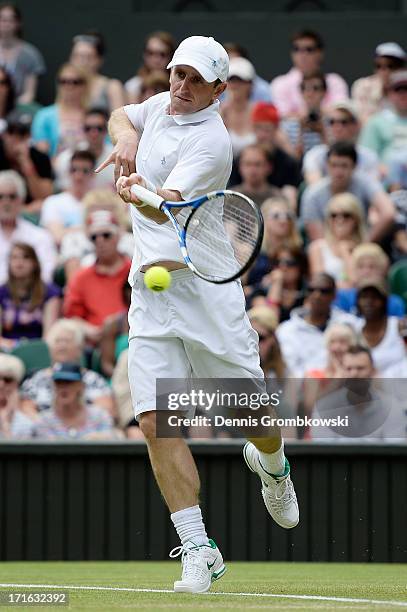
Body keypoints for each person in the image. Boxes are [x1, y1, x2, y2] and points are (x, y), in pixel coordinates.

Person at [96, 35, 299, 594]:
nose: (180, 87)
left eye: (194, 80)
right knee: (155, 420)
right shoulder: (160, 104)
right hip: (153, 294)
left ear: (219, 90)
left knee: (253, 419)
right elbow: (120, 113)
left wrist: (137, 192)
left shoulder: (214, 145)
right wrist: (126, 140)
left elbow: (168, 211)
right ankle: (198, 549)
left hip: (208, 295)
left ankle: (274, 466)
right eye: (175, 74)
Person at [300, 142, 395, 241]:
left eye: (344, 166)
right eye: (334, 165)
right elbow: (318, 238)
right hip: (327, 247)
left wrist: (366, 243)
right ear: (327, 166)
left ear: (354, 166)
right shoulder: (313, 194)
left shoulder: (365, 183)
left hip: (360, 243)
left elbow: (389, 212)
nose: (338, 172)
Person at [20, 318, 114, 416]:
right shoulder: (37, 379)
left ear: (79, 349)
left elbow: (106, 408)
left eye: (67, 341)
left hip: (87, 428)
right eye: (58, 341)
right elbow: (25, 408)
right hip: (43, 428)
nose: (62, 346)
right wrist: (46, 427)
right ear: (50, 348)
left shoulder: (92, 379)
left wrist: (77, 425)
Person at [63, 209, 131, 344]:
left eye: (106, 235)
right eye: (94, 237)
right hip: (96, 345)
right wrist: (87, 329)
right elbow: (72, 317)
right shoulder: (81, 277)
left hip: (131, 337)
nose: (100, 241)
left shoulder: (135, 270)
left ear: (118, 237)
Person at [311, 345, 405, 441]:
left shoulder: (392, 407)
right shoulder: (325, 407)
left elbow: (395, 451)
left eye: (360, 368)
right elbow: (322, 451)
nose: (354, 374)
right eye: (348, 369)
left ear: (372, 371)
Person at [276, 273, 360, 377]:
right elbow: (290, 370)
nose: (317, 295)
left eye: (324, 291)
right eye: (311, 290)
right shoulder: (286, 330)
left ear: (334, 295)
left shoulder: (350, 323)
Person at [59, 188, 134, 281]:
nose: (100, 216)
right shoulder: (73, 239)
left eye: (106, 210)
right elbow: (73, 280)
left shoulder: (131, 241)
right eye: (95, 211)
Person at [270, 29, 348, 119]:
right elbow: (282, 116)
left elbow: (341, 114)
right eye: (297, 49)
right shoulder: (280, 83)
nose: (303, 54)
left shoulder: (335, 81)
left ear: (320, 53)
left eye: (309, 49)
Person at [0, 242, 61, 349]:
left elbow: (49, 336)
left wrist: (29, 349)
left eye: (25, 257)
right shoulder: (2, 292)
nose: (19, 262)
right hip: (6, 351)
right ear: (9, 263)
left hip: (39, 349)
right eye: (14, 258)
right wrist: (15, 346)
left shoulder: (50, 292)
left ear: (35, 263)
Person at [35, 362, 118, 440]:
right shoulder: (44, 420)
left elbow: (111, 442)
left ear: (81, 386)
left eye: (68, 383)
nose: (63, 388)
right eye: (59, 383)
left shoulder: (99, 416)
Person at [0, 170, 57, 284]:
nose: (6, 202)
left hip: (29, 297)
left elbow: (46, 274)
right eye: (0, 196)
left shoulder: (40, 236)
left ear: (21, 200)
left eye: (12, 196)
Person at [302, 101, 380, 184]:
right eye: (332, 122)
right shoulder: (314, 155)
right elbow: (315, 187)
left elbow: (371, 189)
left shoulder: (369, 157)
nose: (337, 127)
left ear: (356, 125)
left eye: (344, 122)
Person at [31, 62, 89, 158]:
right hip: (54, 170)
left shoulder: (93, 115)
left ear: (85, 85)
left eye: (75, 82)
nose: (69, 86)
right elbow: (42, 152)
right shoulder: (44, 115)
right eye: (63, 81)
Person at [245, 196, 302, 291]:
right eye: (276, 216)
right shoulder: (249, 250)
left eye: (288, 216)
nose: (283, 221)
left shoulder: (296, 250)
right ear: (263, 219)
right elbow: (241, 286)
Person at [333, 242, 405, 317]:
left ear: (382, 269)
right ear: (353, 269)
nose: (366, 271)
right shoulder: (342, 297)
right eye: (360, 266)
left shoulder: (394, 302)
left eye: (372, 266)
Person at [308, 193, 365, 286]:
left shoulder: (365, 248)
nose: (339, 220)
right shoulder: (317, 248)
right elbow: (321, 284)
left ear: (356, 219)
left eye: (346, 215)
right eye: (334, 215)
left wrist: (345, 253)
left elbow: (357, 281)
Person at [40, 149, 95, 246]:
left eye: (85, 171)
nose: (78, 176)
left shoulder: (100, 202)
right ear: (68, 172)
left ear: (93, 174)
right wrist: (90, 229)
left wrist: (68, 231)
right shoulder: (52, 202)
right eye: (74, 170)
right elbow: (57, 237)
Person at [0, 109, 53, 208]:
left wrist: (26, 163)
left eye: (22, 134)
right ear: (4, 135)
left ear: (29, 136)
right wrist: (23, 209)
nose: (16, 139)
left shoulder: (40, 157)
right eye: (12, 132)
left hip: (28, 218)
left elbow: (45, 198)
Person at [54, 107, 114, 191]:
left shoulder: (116, 158)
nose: (93, 133)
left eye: (99, 128)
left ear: (107, 130)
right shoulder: (66, 158)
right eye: (88, 128)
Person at [356, 280, 406, 376]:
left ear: (384, 301)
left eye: (374, 297)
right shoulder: (354, 330)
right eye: (364, 297)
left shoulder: (400, 326)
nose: (369, 302)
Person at [360, 70, 407, 169]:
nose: (403, 94)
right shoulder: (376, 122)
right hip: (386, 179)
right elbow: (366, 158)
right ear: (389, 93)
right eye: (398, 90)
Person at [249, 246, 308, 324]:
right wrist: (277, 283)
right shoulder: (260, 293)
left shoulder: (307, 296)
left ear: (300, 267)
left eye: (289, 263)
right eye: (277, 262)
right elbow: (269, 321)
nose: (283, 267)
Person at [0, 3, 45, 104]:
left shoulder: (30, 54)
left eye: (10, 20)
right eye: (2, 19)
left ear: (18, 23)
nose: (6, 24)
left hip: (18, 107)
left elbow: (29, 94)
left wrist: (12, 107)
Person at [351, 42, 406, 125]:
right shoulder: (363, 86)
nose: (385, 71)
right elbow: (363, 121)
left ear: (402, 68)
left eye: (391, 66)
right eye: (379, 66)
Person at [70, 31, 125, 113]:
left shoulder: (112, 87)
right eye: (77, 56)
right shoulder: (66, 85)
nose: (82, 62)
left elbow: (119, 121)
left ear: (99, 60)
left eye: (88, 57)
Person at [280, 72, 327, 159]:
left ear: (324, 92)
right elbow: (294, 159)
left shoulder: (335, 121)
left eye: (316, 88)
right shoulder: (288, 124)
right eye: (305, 88)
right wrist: (300, 131)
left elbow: (334, 156)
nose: (310, 93)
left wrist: (323, 132)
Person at [125, 31, 175, 104]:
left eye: (162, 54)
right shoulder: (134, 85)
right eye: (150, 53)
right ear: (144, 55)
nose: (156, 60)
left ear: (171, 56)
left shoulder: (180, 85)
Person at [220, 57, 256, 158]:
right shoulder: (218, 112)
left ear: (250, 85)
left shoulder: (259, 111)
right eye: (231, 80)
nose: (235, 85)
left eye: (240, 81)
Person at [0, 353, 35, 439]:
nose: (1, 384)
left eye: (7, 380)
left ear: (17, 383)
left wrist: (6, 424)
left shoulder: (26, 417)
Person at [247, 306, 287, 378]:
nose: (253, 343)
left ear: (272, 339)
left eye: (260, 337)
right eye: (249, 336)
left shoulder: (286, 375)